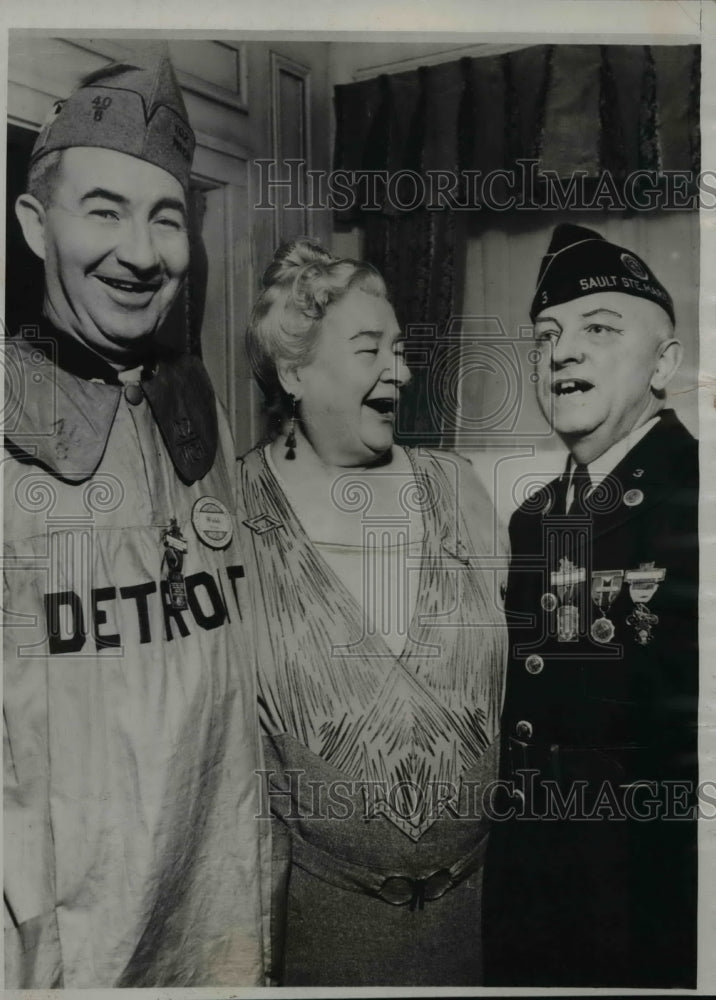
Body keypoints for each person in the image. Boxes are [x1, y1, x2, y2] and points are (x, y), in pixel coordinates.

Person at [3, 54, 266, 987]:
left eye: (166, 218)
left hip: (221, 924)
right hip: (69, 956)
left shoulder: (201, 410)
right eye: (103, 209)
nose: (141, 253)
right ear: (37, 225)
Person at [238, 237, 508, 986]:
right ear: (294, 371)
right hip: (323, 936)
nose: (401, 370)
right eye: (370, 350)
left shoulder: (459, 489)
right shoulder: (230, 516)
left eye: (401, 349)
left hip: (488, 920)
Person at [483, 223, 698, 987]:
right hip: (532, 908)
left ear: (664, 364)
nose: (562, 352)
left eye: (599, 329)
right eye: (547, 336)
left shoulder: (696, 499)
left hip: (651, 919)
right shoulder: (537, 519)